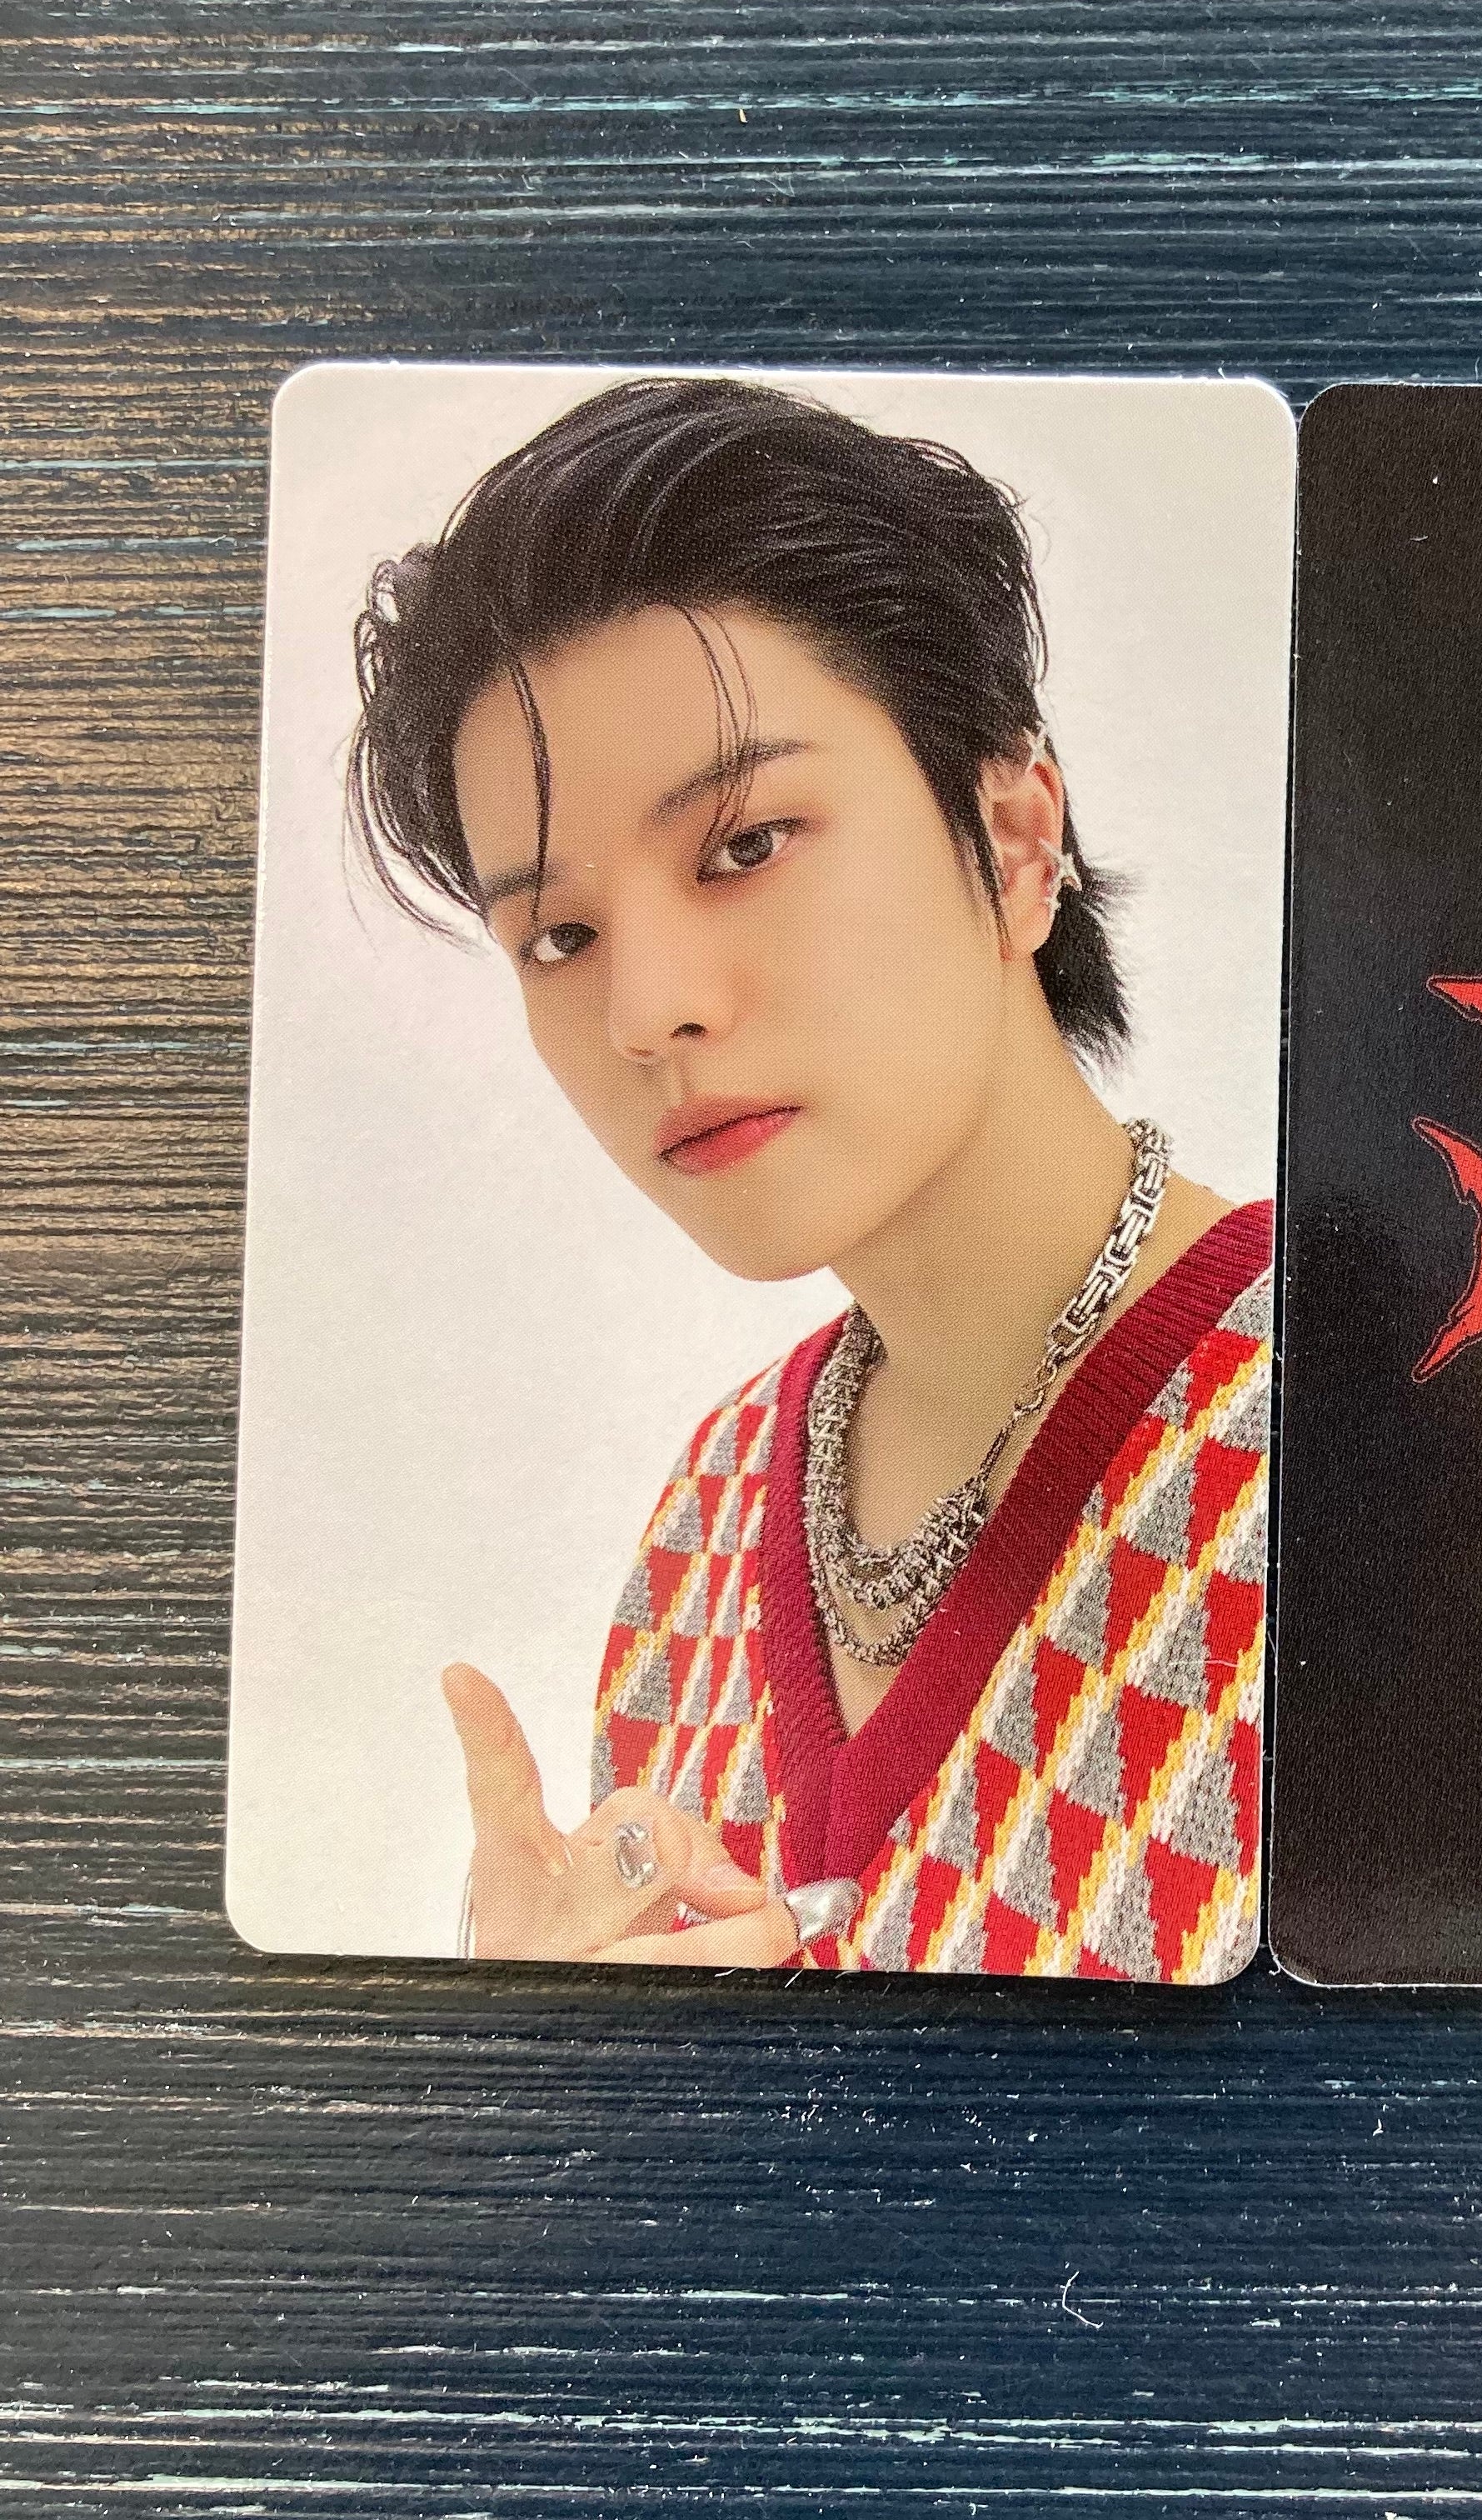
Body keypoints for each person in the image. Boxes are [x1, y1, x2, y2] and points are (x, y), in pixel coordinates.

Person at [344, 378, 1272, 1978]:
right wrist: (551, 2069)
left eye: (747, 844)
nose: (647, 1013)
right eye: (558, 936)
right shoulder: (707, 1525)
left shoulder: (1394, 1448)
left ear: (1015, 835)